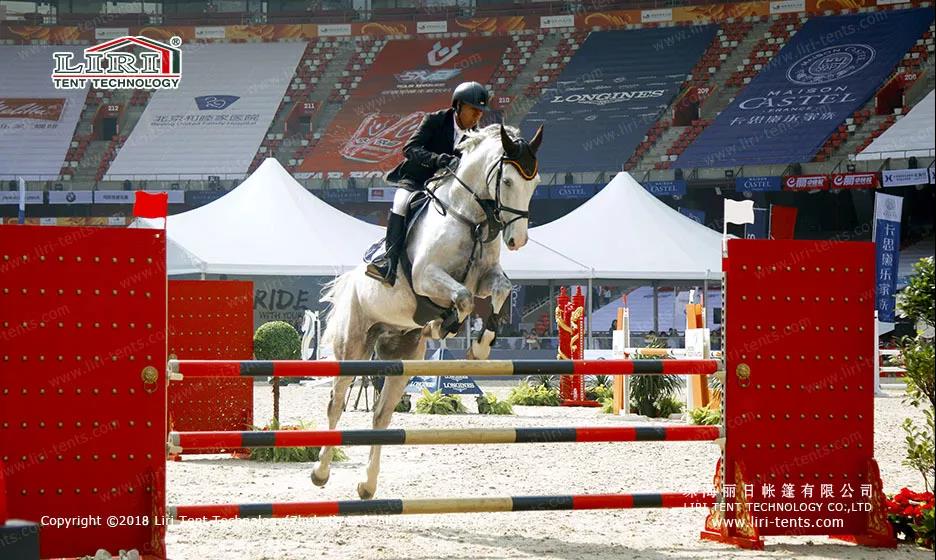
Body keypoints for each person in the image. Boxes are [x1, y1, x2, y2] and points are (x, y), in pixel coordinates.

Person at [365, 81, 491, 286]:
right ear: (458, 105)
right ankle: (388, 261)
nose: (477, 115)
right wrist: (437, 159)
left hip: (446, 186)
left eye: (481, 111)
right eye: (473, 110)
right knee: (400, 203)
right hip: (417, 180)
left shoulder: (476, 136)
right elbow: (410, 148)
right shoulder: (435, 120)